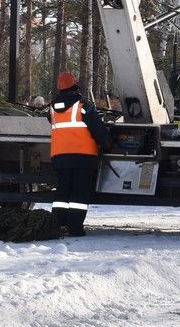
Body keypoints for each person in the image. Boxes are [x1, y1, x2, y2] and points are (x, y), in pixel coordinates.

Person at [47, 71, 112, 237]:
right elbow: (98, 128)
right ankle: (75, 228)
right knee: (79, 194)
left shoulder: (52, 109)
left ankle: (57, 225)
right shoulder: (83, 106)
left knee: (62, 193)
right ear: (76, 87)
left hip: (60, 157)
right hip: (83, 157)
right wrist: (107, 144)